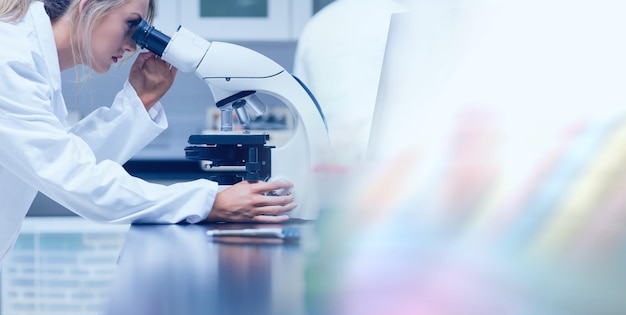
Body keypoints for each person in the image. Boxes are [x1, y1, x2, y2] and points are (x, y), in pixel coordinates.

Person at [0, 0, 297, 264]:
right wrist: (210, 202)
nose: (134, 44)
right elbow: (75, 180)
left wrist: (140, 100)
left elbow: (64, 161)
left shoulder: (28, 60)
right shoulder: (10, 61)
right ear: (88, 6)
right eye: (131, 24)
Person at [293, 0, 406, 166]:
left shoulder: (316, 23)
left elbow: (300, 101)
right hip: (387, 159)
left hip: (329, 159)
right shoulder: (400, 17)